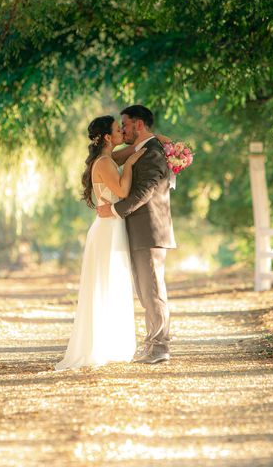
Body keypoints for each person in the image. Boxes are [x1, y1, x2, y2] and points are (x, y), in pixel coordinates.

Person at [54, 115, 146, 370]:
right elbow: (122, 192)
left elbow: (131, 148)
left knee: (112, 281)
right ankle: (99, 346)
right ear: (107, 137)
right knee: (106, 282)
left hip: (110, 226)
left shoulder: (106, 159)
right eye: (118, 130)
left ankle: (110, 343)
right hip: (107, 229)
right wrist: (130, 165)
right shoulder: (105, 162)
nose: (121, 132)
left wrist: (152, 141)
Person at [96, 105, 176, 365]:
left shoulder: (153, 153)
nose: (123, 129)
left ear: (139, 125)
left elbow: (146, 192)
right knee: (145, 292)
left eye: (126, 124)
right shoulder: (147, 148)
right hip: (137, 231)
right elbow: (112, 157)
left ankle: (160, 347)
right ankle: (152, 343)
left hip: (150, 230)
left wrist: (115, 210)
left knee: (152, 291)